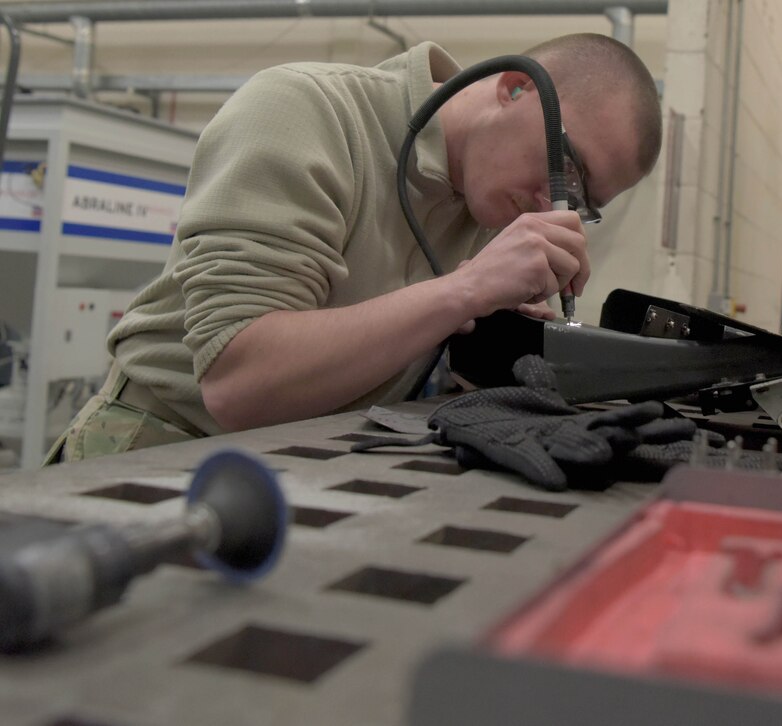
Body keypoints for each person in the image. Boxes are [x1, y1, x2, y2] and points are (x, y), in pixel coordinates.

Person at [45, 32, 662, 463]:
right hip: (158, 450)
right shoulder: (304, 110)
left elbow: (390, 340)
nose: (553, 203)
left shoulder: (488, 200)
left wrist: (487, 335)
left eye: (582, 200)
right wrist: (462, 292)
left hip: (312, 457)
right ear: (513, 89)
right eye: (567, 168)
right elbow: (239, 384)